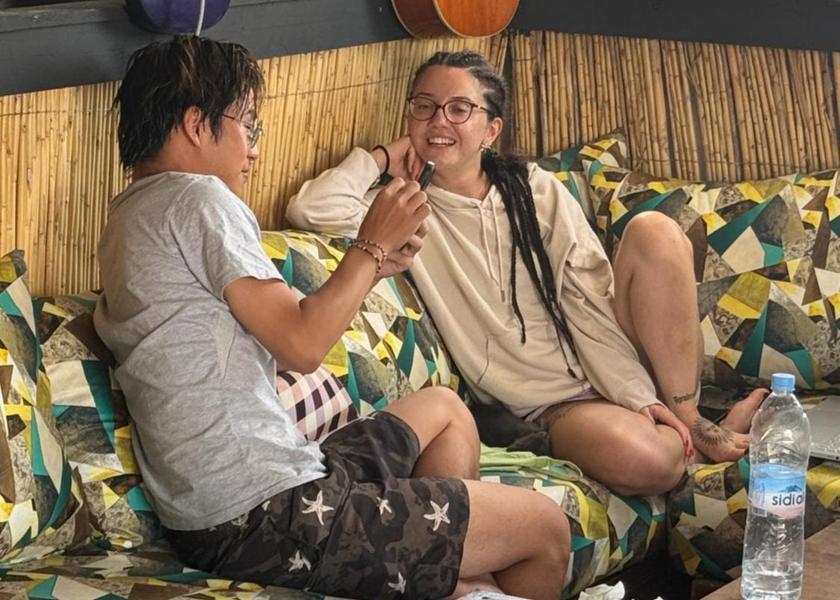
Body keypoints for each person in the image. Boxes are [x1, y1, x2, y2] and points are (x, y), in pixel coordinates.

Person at [93, 36, 570, 600]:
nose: (253, 150)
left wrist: (374, 267)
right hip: (265, 511)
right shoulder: (199, 200)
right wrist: (369, 246)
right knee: (545, 529)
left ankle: (448, 579)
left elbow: (266, 334)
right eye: (249, 126)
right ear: (198, 124)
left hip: (240, 500)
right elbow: (302, 346)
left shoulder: (130, 214)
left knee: (445, 409)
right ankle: (462, 583)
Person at [286, 50, 769, 495]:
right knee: (649, 461)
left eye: (459, 109)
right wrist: (385, 156)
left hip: (614, 352)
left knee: (655, 231)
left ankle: (691, 419)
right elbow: (311, 208)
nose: (438, 121)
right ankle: (704, 435)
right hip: (558, 403)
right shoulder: (404, 210)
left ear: (491, 130)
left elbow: (587, 296)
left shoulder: (534, 189)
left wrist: (637, 394)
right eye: (424, 107)